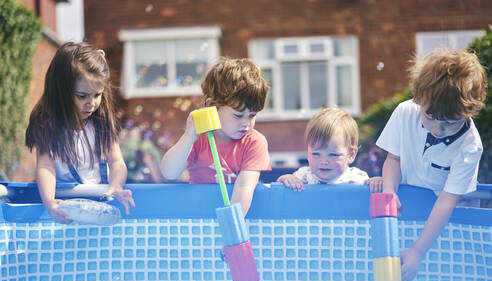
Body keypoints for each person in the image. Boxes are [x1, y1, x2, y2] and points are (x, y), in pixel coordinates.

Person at [376, 49, 487, 281]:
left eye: (449, 123)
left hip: (445, 224)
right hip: (410, 211)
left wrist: (418, 250)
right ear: (419, 99)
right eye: (430, 117)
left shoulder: (469, 146)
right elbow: (393, 159)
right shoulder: (406, 112)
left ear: (468, 112)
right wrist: (389, 191)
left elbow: (447, 202)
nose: (437, 128)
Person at [25, 42, 135, 224]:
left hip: (99, 206)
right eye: (82, 96)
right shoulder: (49, 125)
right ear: (61, 91)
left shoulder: (101, 123)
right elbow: (45, 166)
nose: (91, 103)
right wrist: (50, 203)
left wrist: (116, 185)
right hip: (66, 207)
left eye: (97, 95)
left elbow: (116, 162)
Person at [160, 57, 271, 215]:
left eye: (252, 115)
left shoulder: (254, 142)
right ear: (212, 106)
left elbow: (244, 187)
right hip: (199, 215)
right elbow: (169, 173)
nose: (246, 123)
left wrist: (232, 225)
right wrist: (189, 136)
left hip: (235, 216)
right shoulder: (200, 138)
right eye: (238, 116)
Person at [277, 107, 383, 192]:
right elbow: (278, 192)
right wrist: (285, 179)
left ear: (350, 155)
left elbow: (370, 196)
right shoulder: (303, 176)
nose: (323, 161)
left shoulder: (357, 179)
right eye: (316, 154)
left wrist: (376, 183)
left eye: (333, 155)